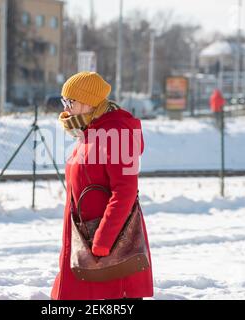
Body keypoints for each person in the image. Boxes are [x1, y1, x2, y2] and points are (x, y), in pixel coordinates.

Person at [50, 71, 154, 300]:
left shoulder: (116, 131)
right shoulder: (91, 131)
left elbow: (124, 192)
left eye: (70, 101)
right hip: (86, 238)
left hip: (108, 247)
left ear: (88, 102)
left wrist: (102, 241)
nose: (65, 108)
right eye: (63, 101)